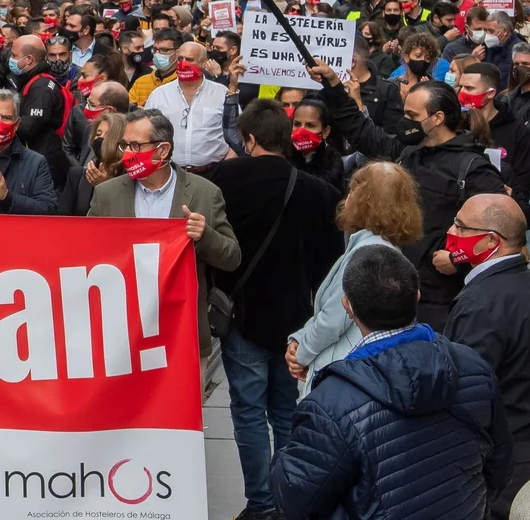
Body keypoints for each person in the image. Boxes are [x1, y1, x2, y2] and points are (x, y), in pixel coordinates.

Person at [271, 245, 512, 520]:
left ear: (348, 306)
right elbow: (499, 467)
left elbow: (294, 499)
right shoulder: (474, 368)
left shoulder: (328, 405)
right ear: (417, 296)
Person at [209, 101, 344, 520]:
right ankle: (290, 504)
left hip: (243, 317)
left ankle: (261, 505)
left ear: (248, 139)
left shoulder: (222, 181)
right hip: (296, 324)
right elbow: (330, 267)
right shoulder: (320, 192)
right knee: (288, 414)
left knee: (248, 413)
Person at [309, 64, 505, 327]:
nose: (405, 122)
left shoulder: (472, 167)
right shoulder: (407, 151)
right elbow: (360, 130)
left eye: (412, 115)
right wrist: (333, 85)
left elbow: (505, 225)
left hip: (440, 299)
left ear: (436, 118)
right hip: (396, 287)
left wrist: (458, 259)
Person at [442, 194, 530, 519]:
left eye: (461, 226)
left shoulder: (482, 302)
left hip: (499, 466)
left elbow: (463, 393)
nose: (451, 231)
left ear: (490, 241)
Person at [87, 109, 241, 353]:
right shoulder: (107, 194)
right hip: (122, 333)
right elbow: (86, 252)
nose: (128, 154)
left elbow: (232, 257)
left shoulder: (204, 193)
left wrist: (205, 235)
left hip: (181, 330)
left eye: (136, 146)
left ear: (163, 150)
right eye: (124, 145)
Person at [287, 161, 426, 391]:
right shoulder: (383, 248)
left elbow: (334, 318)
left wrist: (300, 352)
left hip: (343, 371)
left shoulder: (368, 254)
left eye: (353, 190)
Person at [456, 62, 530, 225]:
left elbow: (523, 184)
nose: (462, 93)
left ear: (490, 93)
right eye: (461, 87)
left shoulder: (517, 132)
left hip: (498, 218)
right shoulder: (456, 127)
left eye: (469, 88)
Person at [145, 41, 236, 171]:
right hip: (169, 172)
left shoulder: (221, 93)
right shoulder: (159, 95)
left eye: (189, 59)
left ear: (203, 62)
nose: (183, 64)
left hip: (213, 172)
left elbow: (237, 132)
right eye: (180, 59)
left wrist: (226, 164)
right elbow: (145, 133)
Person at [8, 34, 74, 189]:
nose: (11, 59)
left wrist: (1, 124)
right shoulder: (36, 81)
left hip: (46, 164)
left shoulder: (41, 87)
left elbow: (27, 127)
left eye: (14, 56)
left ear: (29, 59)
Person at [129, 29, 182, 105]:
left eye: (163, 50)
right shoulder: (140, 83)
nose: (157, 54)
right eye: (155, 49)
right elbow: (127, 110)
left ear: (177, 53)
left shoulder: (183, 83)